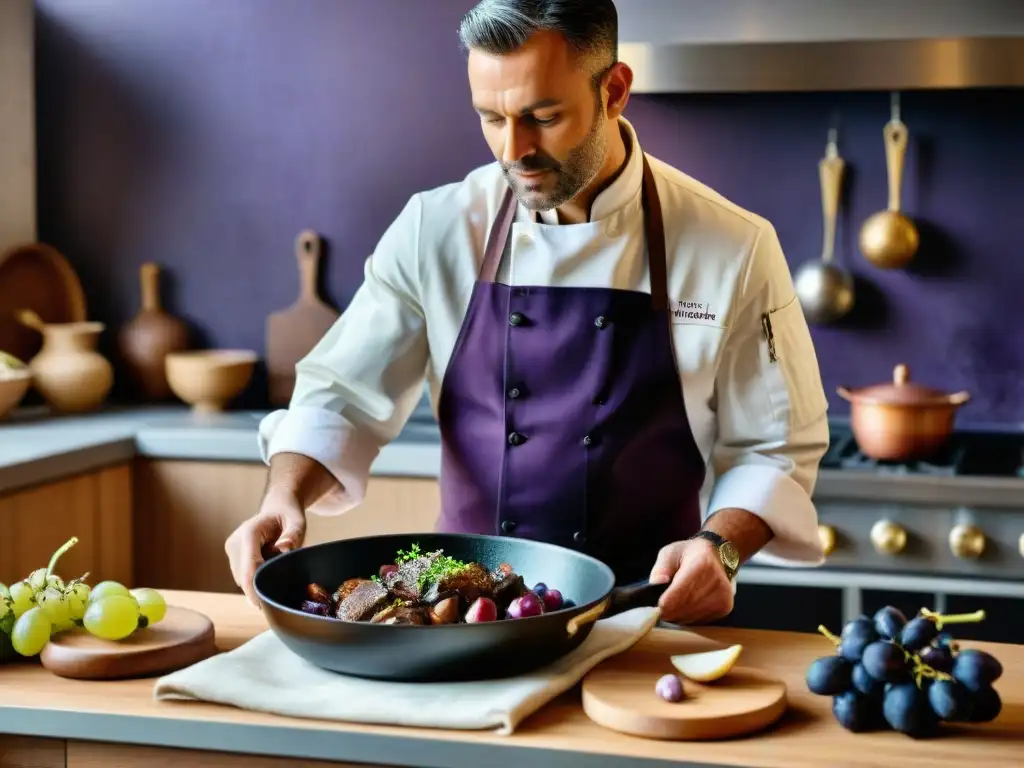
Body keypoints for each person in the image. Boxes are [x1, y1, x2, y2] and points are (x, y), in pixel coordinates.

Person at [225, 0, 830, 624]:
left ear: (614, 91)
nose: (514, 150)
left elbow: (775, 447)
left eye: (543, 117)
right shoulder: (436, 229)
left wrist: (719, 551)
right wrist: (283, 496)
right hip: (462, 617)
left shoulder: (732, 245)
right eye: (491, 118)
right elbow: (341, 395)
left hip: (645, 616)